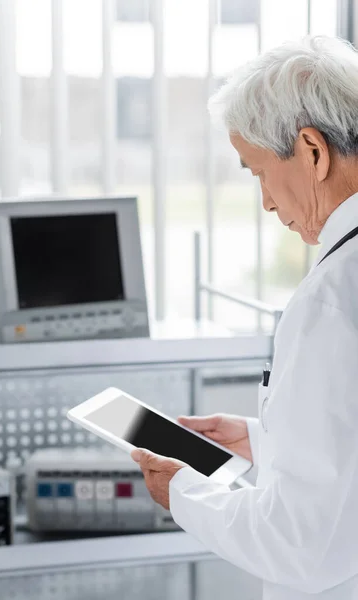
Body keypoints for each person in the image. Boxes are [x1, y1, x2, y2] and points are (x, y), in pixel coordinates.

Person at [131, 36, 358, 599]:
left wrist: (183, 491)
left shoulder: (332, 299)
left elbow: (297, 546)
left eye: (258, 171)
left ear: (311, 150)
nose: (266, 203)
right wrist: (268, 438)